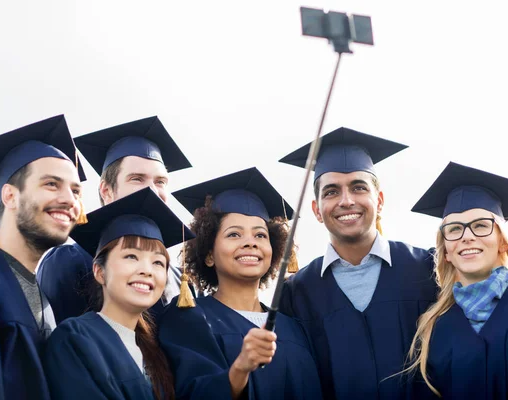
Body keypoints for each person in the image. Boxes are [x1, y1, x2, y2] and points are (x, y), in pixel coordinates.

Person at [278, 127, 438, 399]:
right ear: (317, 210)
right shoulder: (296, 293)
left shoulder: (427, 269)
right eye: (330, 192)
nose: (346, 201)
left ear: (380, 200)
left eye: (358, 187)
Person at [158, 167, 323, 400]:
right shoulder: (188, 317)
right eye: (234, 234)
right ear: (209, 254)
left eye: (260, 235)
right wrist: (240, 369)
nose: (250, 243)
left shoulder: (293, 327)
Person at [408, 161, 508, 399]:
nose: (467, 236)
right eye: (455, 229)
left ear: (503, 241)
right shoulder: (435, 329)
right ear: (446, 251)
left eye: (481, 225)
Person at [0, 115, 86, 399]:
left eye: (76, 190)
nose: (71, 200)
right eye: (52, 184)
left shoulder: (41, 296)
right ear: (10, 196)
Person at [38, 116, 193, 323]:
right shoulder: (69, 262)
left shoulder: (179, 279)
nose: (154, 190)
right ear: (106, 190)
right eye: (137, 179)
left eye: (161, 181)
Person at [43, 187, 193, 399]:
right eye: (131, 256)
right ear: (99, 271)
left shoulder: (155, 352)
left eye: (158, 262)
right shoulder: (74, 339)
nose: (146, 270)